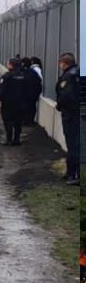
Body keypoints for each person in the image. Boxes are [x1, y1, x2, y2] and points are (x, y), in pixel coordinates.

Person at [55, 53, 79, 185]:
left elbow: (66, 96)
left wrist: (59, 105)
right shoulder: (78, 73)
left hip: (71, 115)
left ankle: (73, 175)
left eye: (60, 63)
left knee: (73, 145)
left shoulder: (69, 76)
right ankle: (72, 173)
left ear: (64, 63)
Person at [0, 58, 30, 146]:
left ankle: (9, 139)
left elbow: (1, 90)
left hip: (8, 103)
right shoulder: (24, 76)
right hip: (21, 103)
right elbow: (28, 90)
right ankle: (17, 139)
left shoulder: (7, 76)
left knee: (8, 121)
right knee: (18, 121)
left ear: (11, 65)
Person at [21, 56, 42, 127]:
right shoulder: (33, 72)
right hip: (33, 94)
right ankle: (29, 121)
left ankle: (26, 121)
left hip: (27, 94)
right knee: (31, 108)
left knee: (26, 107)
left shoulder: (23, 72)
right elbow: (39, 83)